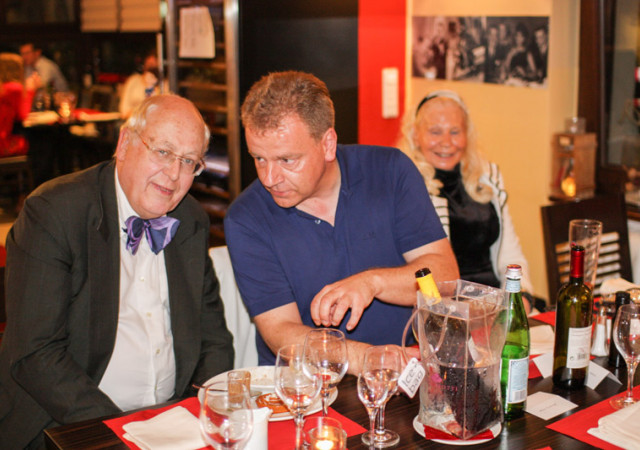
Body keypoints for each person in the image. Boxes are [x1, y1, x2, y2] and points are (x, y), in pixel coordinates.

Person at [0, 94, 234, 448]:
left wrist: (200, 412)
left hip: (172, 423)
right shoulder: (54, 213)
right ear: (125, 143)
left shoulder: (190, 221)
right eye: (163, 152)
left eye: (189, 161)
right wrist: (121, 433)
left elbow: (214, 338)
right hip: (68, 424)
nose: (174, 174)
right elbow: (36, 353)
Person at [224, 71, 459, 374]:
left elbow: (444, 277)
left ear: (328, 144)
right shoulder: (247, 218)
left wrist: (372, 283)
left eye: (286, 160)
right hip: (306, 386)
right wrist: (370, 359)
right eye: (259, 158)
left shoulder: (390, 171)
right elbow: (280, 330)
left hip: (407, 373)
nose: (269, 178)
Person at [397, 90, 535, 310]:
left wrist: (520, 297)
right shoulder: (404, 184)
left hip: (496, 304)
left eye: (455, 132)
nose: (446, 142)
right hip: (442, 309)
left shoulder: (488, 177)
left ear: (467, 135)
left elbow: (510, 253)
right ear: (415, 135)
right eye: (435, 132)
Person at [0, 52, 37, 156]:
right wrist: (31, 90)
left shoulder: (3, 88)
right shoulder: (14, 88)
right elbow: (23, 115)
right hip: (3, 144)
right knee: (37, 143)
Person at [119, 51, 169, 119]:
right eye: (149, 65)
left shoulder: (164, 85)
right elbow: (124, 109)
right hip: (133, 120)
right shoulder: (133, 80)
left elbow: (165, 109)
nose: (150, 69)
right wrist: (139, 115)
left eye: (153, 66)